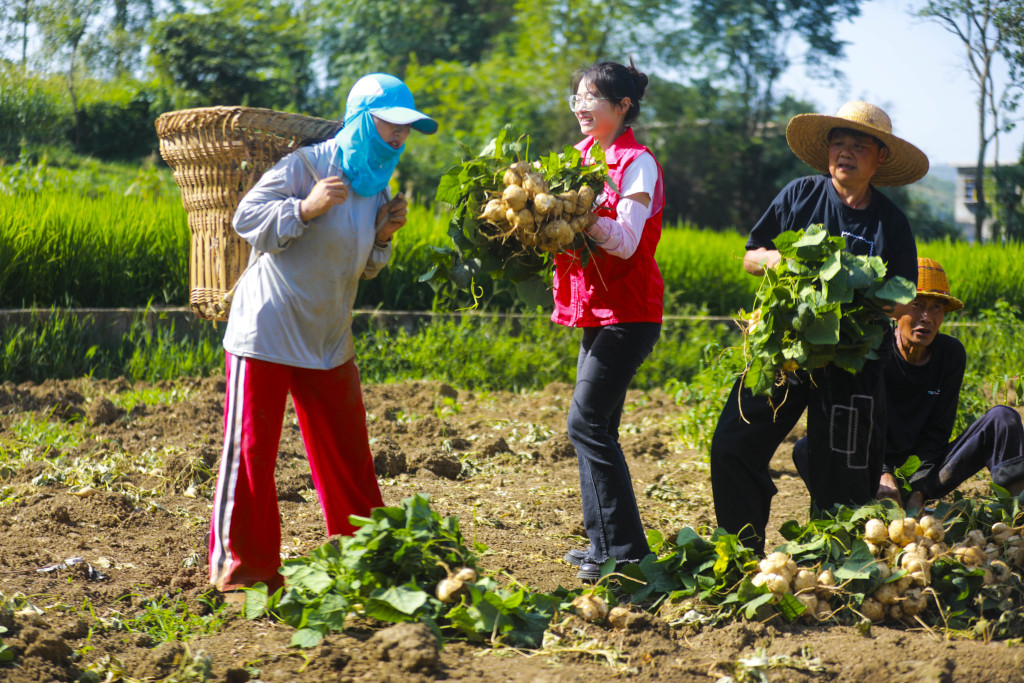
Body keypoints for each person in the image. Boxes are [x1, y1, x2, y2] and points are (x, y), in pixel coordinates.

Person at [208, 73, 437, 594]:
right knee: (252, 451)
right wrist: (306, 207)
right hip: (268, 327)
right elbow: (247, 218)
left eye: (407, 128)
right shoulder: (306, 165)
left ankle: (366, 556)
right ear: (360, 120)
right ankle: (243, 570)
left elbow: (362, 266)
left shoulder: (375, 184)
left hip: (329, 332)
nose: (400, 137)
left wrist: (382, 236)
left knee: (348, 452)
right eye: (390, 124)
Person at [709, 101, 928, 554]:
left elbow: (905, 296)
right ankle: (742, 550)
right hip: (786, 350)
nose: (844, 152)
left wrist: (857, 288)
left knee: (844, 470)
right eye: (838, 142)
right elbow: (751, 254)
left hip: (852, 362)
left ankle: (833, 566)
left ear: (880, 157)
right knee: (734, 442)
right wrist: (780, 259)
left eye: (858, 145)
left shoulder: (891, 222)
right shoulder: (799, 196)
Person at [553, 60, 665, 581]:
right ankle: (605, 546)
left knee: (586, 423)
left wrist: (583, 212)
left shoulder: (638, 164)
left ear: (623, 107)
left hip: (630, 312)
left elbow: (625, 241)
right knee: (598, 425)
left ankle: (625, 553)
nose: (580, 104)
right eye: (577, 95)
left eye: (592, 96)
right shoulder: (575, 161)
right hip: (595, 310)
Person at [793, 258, 1024, 508]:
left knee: (1003, 418)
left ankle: (1016, 517)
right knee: (806, 448)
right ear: (896, 309)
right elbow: (857, 425)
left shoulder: (950, 354)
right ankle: (848, 512)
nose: (927, 317)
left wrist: (919, 489)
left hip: (925, 469)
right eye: (917, 305)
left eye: (937, 308)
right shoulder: (873, 350)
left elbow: (938, 432)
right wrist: (882, 472)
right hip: (866, 467)